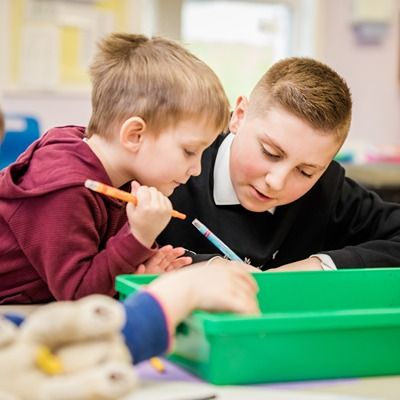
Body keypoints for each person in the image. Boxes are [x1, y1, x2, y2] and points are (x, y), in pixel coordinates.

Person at [0, 32, 231, 304]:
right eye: (189, 151)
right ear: (134, 135)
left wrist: (141, 265)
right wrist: (139, 236)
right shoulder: (66, 189)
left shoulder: (119, 175)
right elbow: (79, 295)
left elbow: (100, 262)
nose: (196, 169)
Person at [158, 57, 400, 271]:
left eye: (305, 172)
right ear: (239, 116)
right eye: (270, 153)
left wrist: (319, 265)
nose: (276, 182)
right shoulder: (174, 169)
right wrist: (205, 266)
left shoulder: (327, 189)